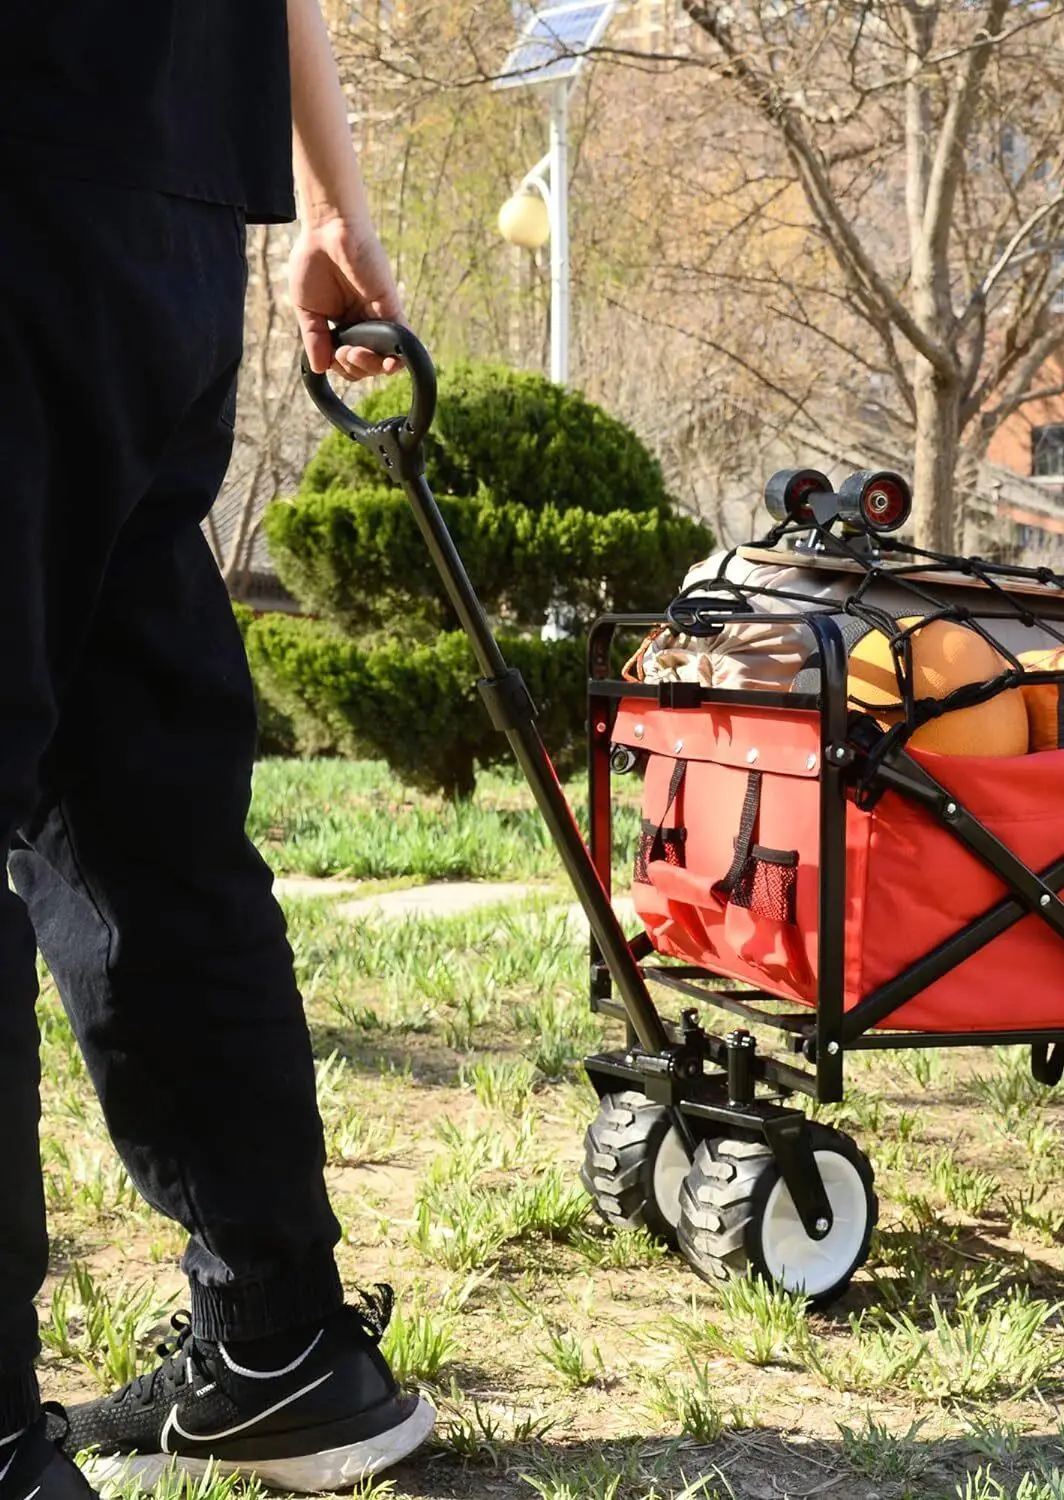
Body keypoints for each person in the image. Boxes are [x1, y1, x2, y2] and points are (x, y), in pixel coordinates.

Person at [0, 4, 433, 1497]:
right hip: (164, 202)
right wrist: (332, 202)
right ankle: (282, 1345)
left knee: (138, 800)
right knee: (139, 801)